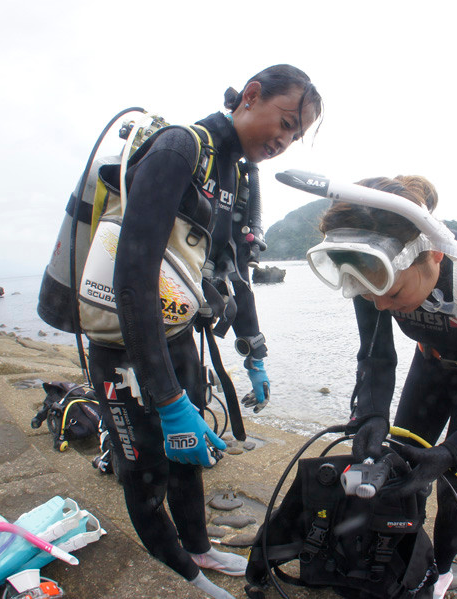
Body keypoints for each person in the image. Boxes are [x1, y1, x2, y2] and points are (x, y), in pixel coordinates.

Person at [87, 65, 322, 599]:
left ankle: (196, 547)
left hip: (174, 335)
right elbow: (132, 276)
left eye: (295, 135)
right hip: (123, 343)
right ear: (252, 96)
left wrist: (253, 349)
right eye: (284, 122)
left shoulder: (233, 174)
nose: (283, 141)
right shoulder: (179, 150)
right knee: (143, 472)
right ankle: (182, 575)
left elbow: (233, 270)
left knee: (188, 453)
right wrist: (166, 396)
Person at [309, 175, 457, 599]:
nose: (380, 305)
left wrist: (452, 453)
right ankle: (403, 560)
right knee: (398, 471)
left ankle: (443, 572)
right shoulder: (372, 266)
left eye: (392, 295)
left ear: (433, 254)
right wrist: (372, 414)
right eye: (369, 294)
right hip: (430, 365)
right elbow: (376, 355)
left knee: (454, 487)